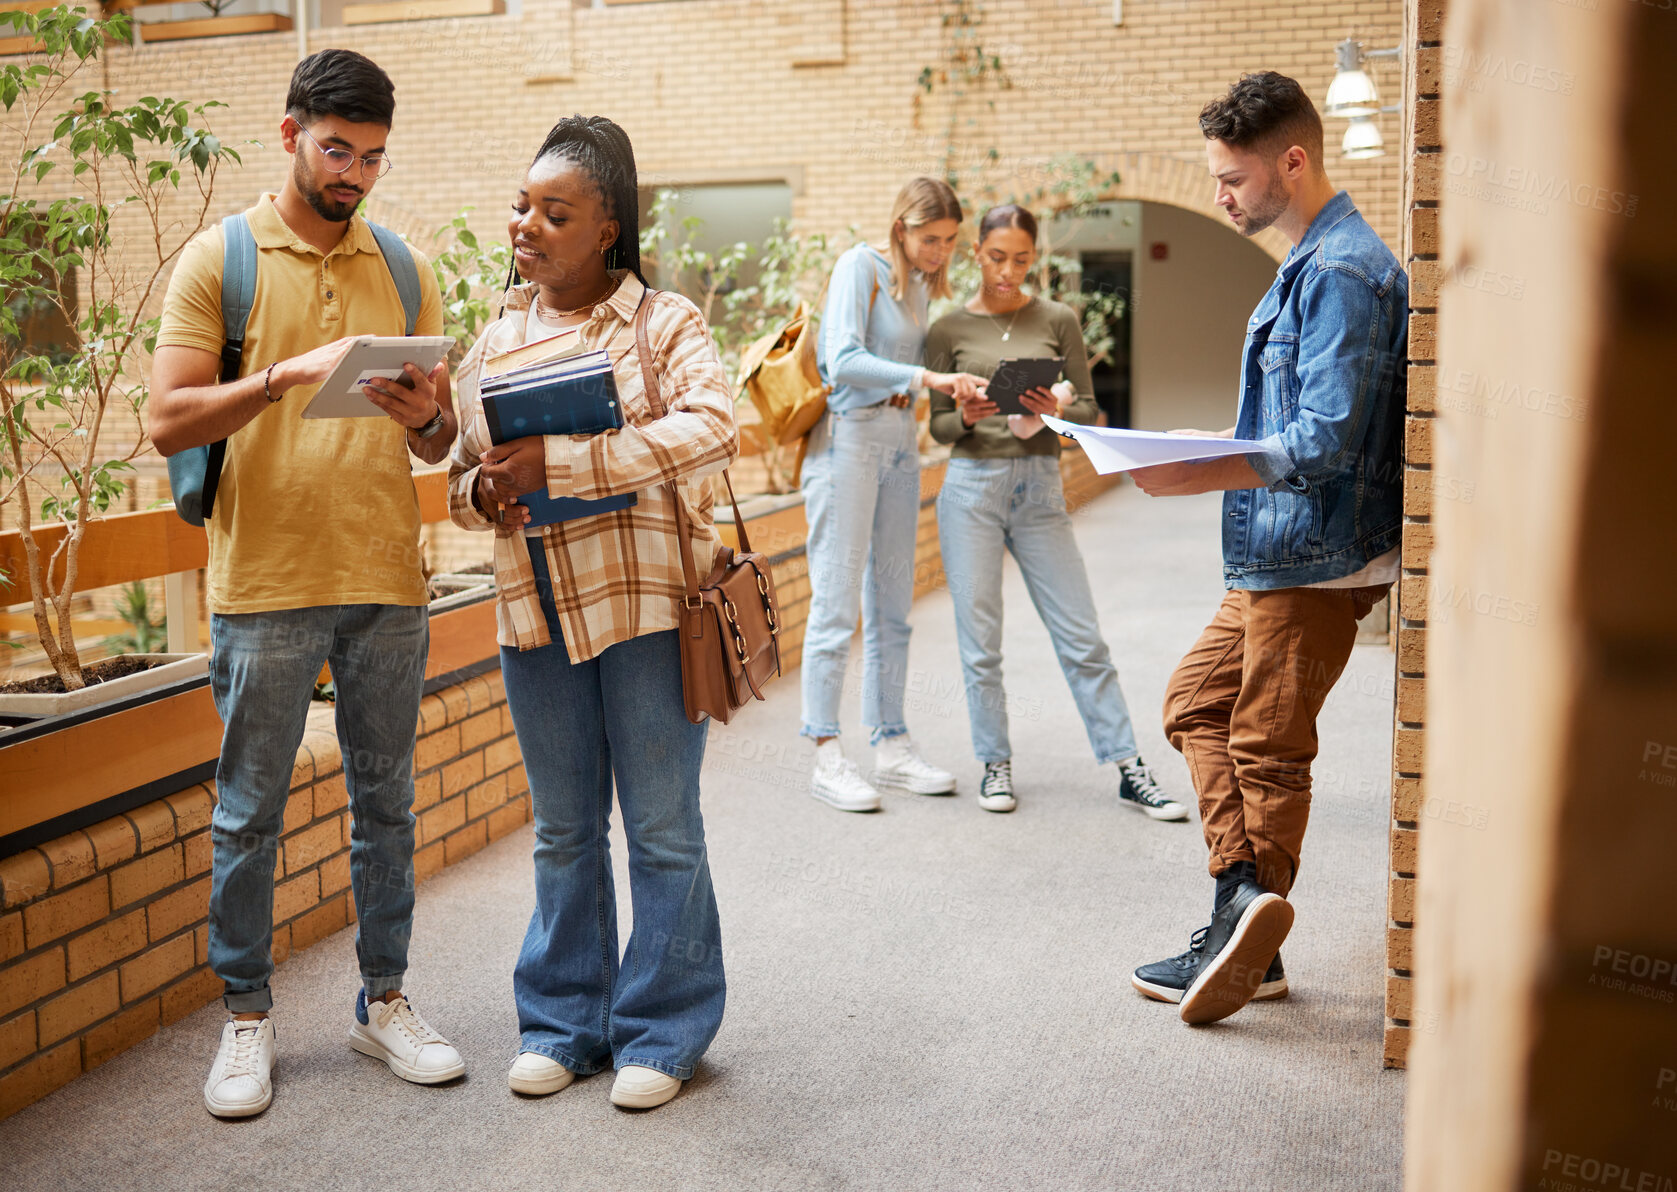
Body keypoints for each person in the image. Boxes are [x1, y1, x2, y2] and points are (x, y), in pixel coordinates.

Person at [150, 50, 464, 1117]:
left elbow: (440, 443)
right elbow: (166, 420)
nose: (356, 176)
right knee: (250, 814)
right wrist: (278, 378)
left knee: (387, 805)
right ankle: (245, 1017)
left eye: (374, 157)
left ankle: (385, 1003)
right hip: (265, 580)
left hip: (386, 577)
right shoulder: (220, 260)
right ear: (289, 134)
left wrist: (428, 418)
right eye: (339, 151)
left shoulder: (407, 267)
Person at [446, 115, 738, 1111]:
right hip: (533, 619)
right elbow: (458, 473)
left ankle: (665, 1028)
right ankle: (564, 1022)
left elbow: (711, 425)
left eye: (554, 211)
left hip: (648, 611)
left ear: (608, 227)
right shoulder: (495, 336)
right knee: (563, 832)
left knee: (660, 828)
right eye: (523, 205)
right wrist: (484, 491)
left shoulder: (664, 324)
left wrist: (566, 463)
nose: (526, 224)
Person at [1127, 72, 1406, 1024]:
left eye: (1232, 177)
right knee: (1193, 702)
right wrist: (1191, 449)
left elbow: (1324, 440)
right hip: (1276, 551)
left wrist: (1192, 474)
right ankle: (1243, 904)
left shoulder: (1340, 273)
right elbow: (1288, 419)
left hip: (1319, 556)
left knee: (1265, 744)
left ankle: (1243, 943)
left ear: (1293, 160)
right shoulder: (1311, 264)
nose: (1219, 195)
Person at [925, 204, 1186, 820]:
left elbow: (1092, 412)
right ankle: (995, 762)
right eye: (996, 257)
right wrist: (963, 415)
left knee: (1081, 635)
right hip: (970, 492)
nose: (1008, 270)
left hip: (1039, 489)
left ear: (1033, 257)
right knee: (980, 641)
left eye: (1021, 259)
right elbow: (937, 428)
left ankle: (1128, 765)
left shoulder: (1059, 319)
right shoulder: (947, 329)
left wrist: (1056, 408)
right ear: (977, 254)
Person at [801, 176, 987, 813]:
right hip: (848, 439)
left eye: (950, 241)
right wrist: (927, 374)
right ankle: (826, 750)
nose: (941, 251)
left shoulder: (918, 289)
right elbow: (841, 359)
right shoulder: (864, 267)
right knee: (835, 601)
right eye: (931, 238)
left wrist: (950, 391)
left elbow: (907, 375)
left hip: (899, 442)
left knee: (892, 605)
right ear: (902, 228)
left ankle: (891, 743)